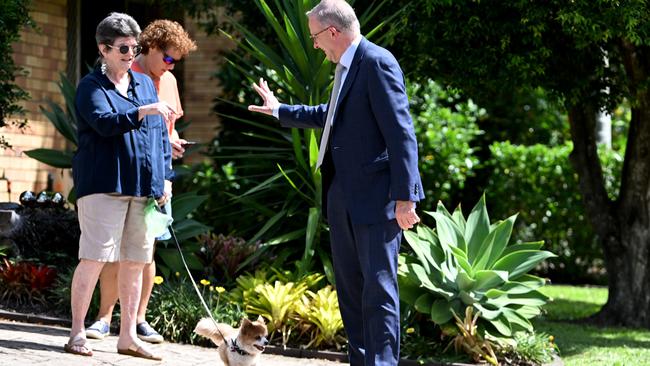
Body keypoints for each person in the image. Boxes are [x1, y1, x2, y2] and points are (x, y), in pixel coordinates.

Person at [248, 1, 423, 365]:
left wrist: (406, 197)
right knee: (351, 291)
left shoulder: (376, 62)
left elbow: (401, 133)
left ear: (332, 32)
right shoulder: (344, 68)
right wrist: (280, 109)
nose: (313, 46)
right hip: (342, 195)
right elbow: (330, 117)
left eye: (314, 37)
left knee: (379, 291)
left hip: (376, 199)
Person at [64, 12, 175, 360]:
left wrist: (164, 179)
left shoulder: (144, 84)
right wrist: (145, 111)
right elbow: (104, 124)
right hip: (103, 185)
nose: (131, 53)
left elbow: (158, 138)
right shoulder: (90, 87)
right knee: (95, 258)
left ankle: (127, 337)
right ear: (104, 48)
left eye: (135, 46)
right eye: (124, 47)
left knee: (135, 262)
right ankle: (77, 332)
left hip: (143, 188)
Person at [85, 19, 197, 345]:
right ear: (149, 46)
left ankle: (138, 320)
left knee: (146, 249)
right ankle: (104, 318)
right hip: (123, 175)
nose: (170, 65)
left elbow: (166, 128)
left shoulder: (169, 81)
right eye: (166, 58)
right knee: (115, 250)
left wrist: (173, 144)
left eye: (175, 60)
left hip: (158, 175)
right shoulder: (124, 73)